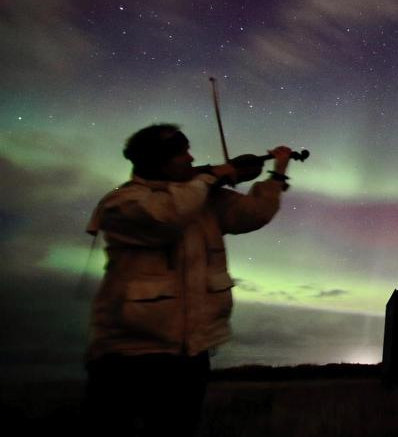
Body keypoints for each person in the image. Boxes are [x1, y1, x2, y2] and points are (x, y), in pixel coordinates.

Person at [84, 123, 293, 437]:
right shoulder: (121, 203)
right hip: (128, 356)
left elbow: (253, 213)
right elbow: (168, 216)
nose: (191, 158)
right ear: (157, 162)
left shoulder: (202, 197)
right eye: (181, 153)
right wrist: (211, 177)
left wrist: (276, 174)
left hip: (190, 355)